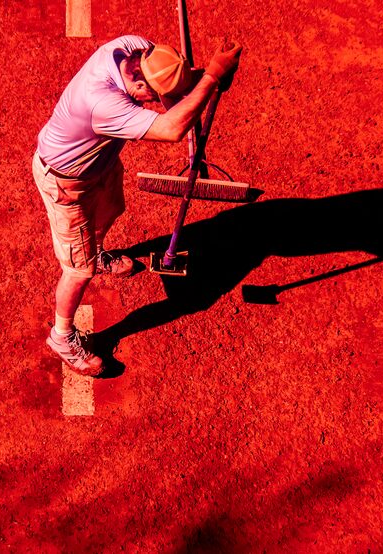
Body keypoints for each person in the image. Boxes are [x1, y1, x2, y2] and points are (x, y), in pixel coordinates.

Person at [34, 35, 242, 376]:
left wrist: (203, 77)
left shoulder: (132, 47)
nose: (157, 102)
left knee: (109, 212)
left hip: (99, 167)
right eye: (155, 96)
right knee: (77, 270)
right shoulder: (104, 103)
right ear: (141, 82)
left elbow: (172, 96)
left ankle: (95, 250)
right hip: (66, 184)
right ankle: (62, 337)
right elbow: (173, 127)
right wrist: (212, 79)